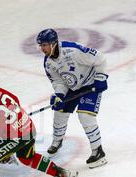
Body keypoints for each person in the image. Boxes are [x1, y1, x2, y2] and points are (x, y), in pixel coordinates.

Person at [36, 28, 108, 168]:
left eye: (45, 45)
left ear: (53, 43)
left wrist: (101, 77)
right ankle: (57, 141)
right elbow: (58, 81)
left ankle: (98, 151)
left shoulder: (73, 51)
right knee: (59, 111)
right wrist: (59, 95)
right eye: (41, 45)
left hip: (90, 84)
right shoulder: (48, 63)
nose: (42, 48)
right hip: (73, 87)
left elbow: (100, 58)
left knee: (85, 116)